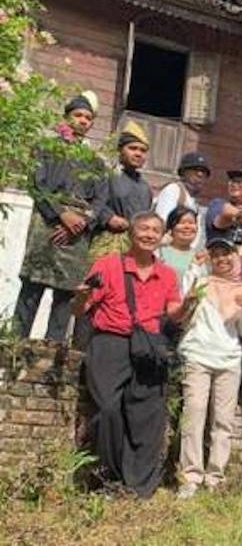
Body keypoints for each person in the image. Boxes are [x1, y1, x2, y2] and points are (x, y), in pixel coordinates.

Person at [72, 211, 194, 498]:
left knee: (147, 417)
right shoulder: (107, 265)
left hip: (148, 347)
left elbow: (173, 314)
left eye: (155, 230)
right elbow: (80, 309)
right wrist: (79, 295)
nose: (149, 234)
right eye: (144, 229)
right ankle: (108, 477)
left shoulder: (166, 274)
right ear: (131, 233)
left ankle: (138, 484)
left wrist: (189, 304)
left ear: (162, 237)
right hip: (110, 343)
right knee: (108, 410)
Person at [176, 237, 242, 498]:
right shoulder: (200, 283)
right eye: (217, 255)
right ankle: (190, 477)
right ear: (211, 259)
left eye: (227, 254)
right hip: (198, 354)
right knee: (194, 414)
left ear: (236, 257)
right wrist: (192, 274)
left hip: (229, 358)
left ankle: (215, 477)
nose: (222, 259)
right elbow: (183, 313)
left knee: (223, 421)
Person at [16, 93, 102, 341]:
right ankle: (13, 352)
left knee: (65, 294)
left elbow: (100, 201)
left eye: (88, 117)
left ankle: (51, 358)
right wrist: (61, 214)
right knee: (32, 287)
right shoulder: (44, 148)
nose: (83, 121)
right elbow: (36, 185)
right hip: (46, 226)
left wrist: (80, 222)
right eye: (78, 115)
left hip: (77, 236)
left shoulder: (96, 162)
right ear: (66, 118)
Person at [89, 122, 153, 259]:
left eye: (142, 150)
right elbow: (91, 201)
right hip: (106, 242)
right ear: (120, 150)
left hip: (134, 247)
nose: (138, 154)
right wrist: (107, 217)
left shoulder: (145, 187)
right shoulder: (107, 175)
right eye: (133, 148)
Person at [153, 151, 210, 250]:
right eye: (195, 170)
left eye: (204, 172)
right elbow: (161, 223)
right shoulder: (173, 190)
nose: (200, 174)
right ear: (183, 172)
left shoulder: (193, 202)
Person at [157, 207, 204, 296]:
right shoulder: (159, 251)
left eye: (191, 223)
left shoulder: (200, 256)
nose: (187, 227)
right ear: (171, 228)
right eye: (182, 223)